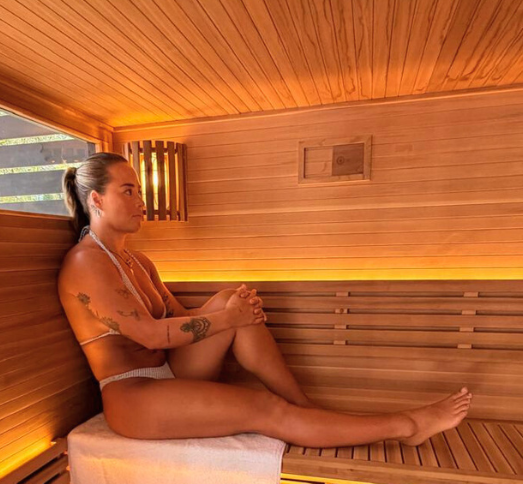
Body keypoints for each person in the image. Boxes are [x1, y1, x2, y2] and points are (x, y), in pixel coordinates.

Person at [58, 152, 472, 446]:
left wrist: (232, 310)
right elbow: (150, 336)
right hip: (133, 396)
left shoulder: (137, 261)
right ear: (96, 199)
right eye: (127, 191)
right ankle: (407, 425)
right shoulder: (85, 264)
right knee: (261, 406)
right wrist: (229, 320)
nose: (141, 202)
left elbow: (181, 319)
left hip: (168, 371)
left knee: (225, 299)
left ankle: (304, 407)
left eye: (138, 191)